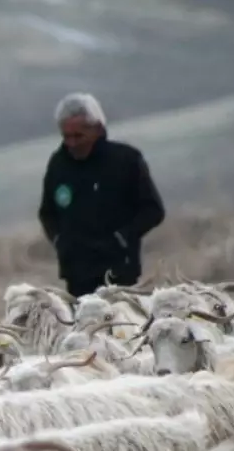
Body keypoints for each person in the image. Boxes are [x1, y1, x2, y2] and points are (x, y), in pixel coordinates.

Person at [38, 92, 165, 298]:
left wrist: (122, 238)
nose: (71, 143)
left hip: (119, 272)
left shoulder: (126, 160)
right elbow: (47, 213)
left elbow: (153, 210)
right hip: (77, 275)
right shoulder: (58, 165)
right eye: (66, 136)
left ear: (97, 128)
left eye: (78, 136)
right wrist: (61, 241)